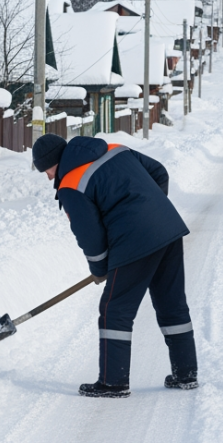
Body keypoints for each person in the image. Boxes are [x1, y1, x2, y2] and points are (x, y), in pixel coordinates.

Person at [32, 133, 198, 398]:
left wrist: (99, 267)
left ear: (54, 162)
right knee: (171, 302)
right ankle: (186, 373)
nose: (49, 177)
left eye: (47, 170)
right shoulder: (114, 149)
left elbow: (90, 234)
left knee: (114, 309)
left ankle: (113, 382)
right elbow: (160, 172)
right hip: (167, 228)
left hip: (135, 240)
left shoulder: (71, 183)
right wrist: (151, 208)